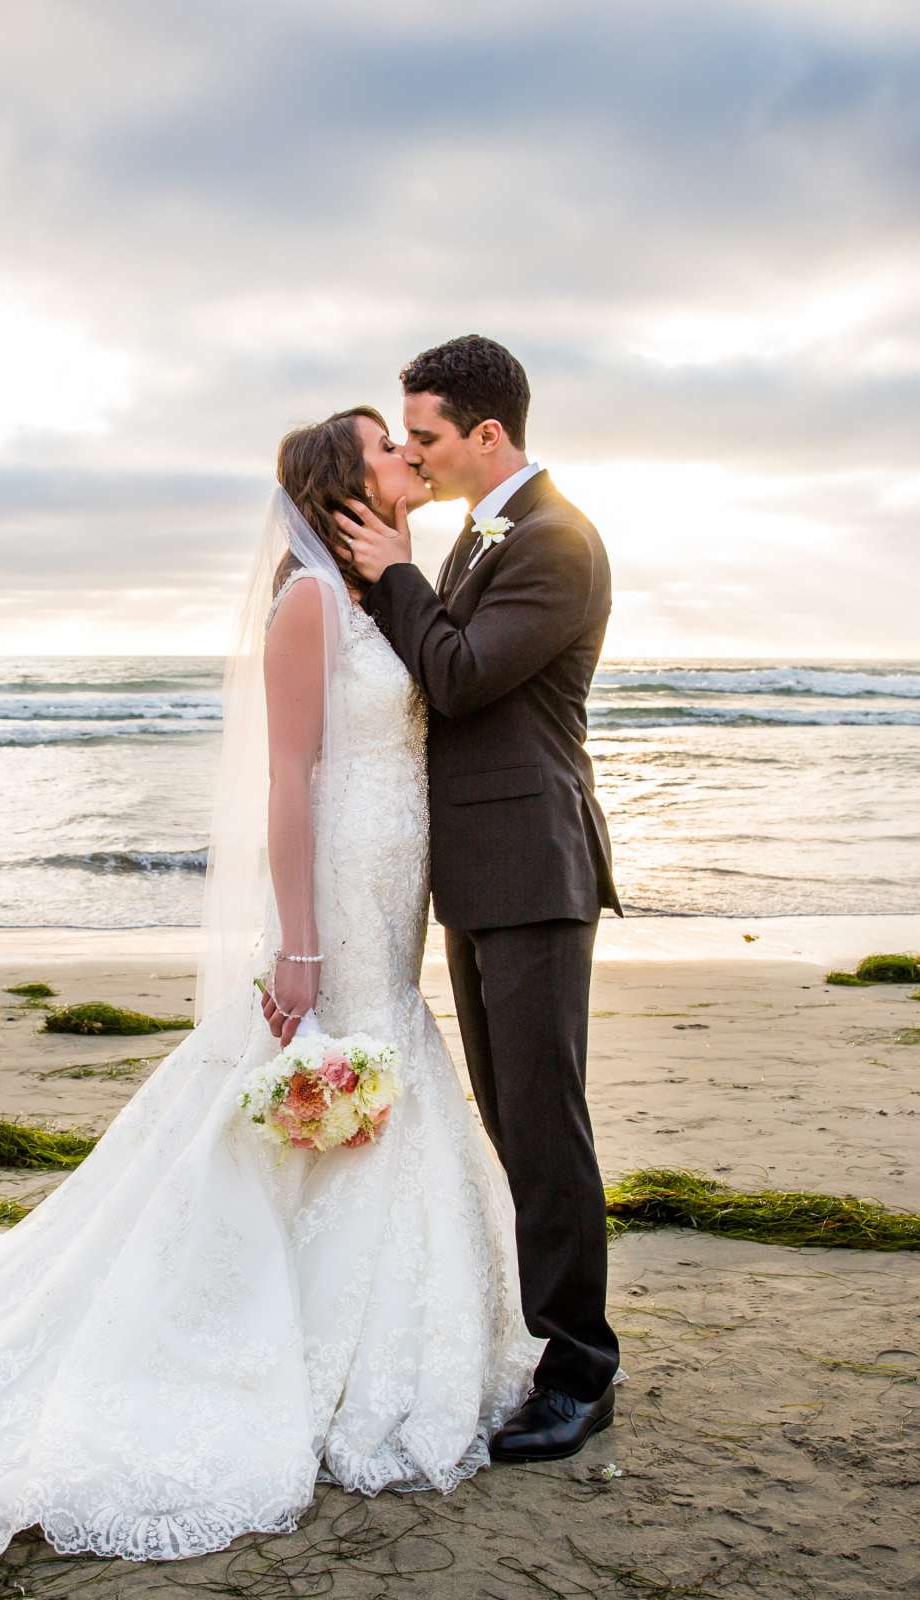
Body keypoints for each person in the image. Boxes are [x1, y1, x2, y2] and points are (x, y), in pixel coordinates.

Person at [0, 405, 541, 1566]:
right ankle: (266, 1341)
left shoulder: (387, 588)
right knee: (320, 1072)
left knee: (385, 1067)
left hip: (393, 878)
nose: (404, 457)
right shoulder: (311, 600)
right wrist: (301, 945)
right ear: (342, 483)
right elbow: (287, 781)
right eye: (385, 445)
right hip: (336, 885)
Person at [333, 334, 621, 1464]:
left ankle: (582, 1369)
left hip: (536, 870)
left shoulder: (555, 542)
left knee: (546, 1122)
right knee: (512, 1116)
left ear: (488, 434)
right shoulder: (480, 535)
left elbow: (454, 675)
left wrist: (396, 569)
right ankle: (556, 1343)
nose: (414, 452)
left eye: (429, 436)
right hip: (480, 871)